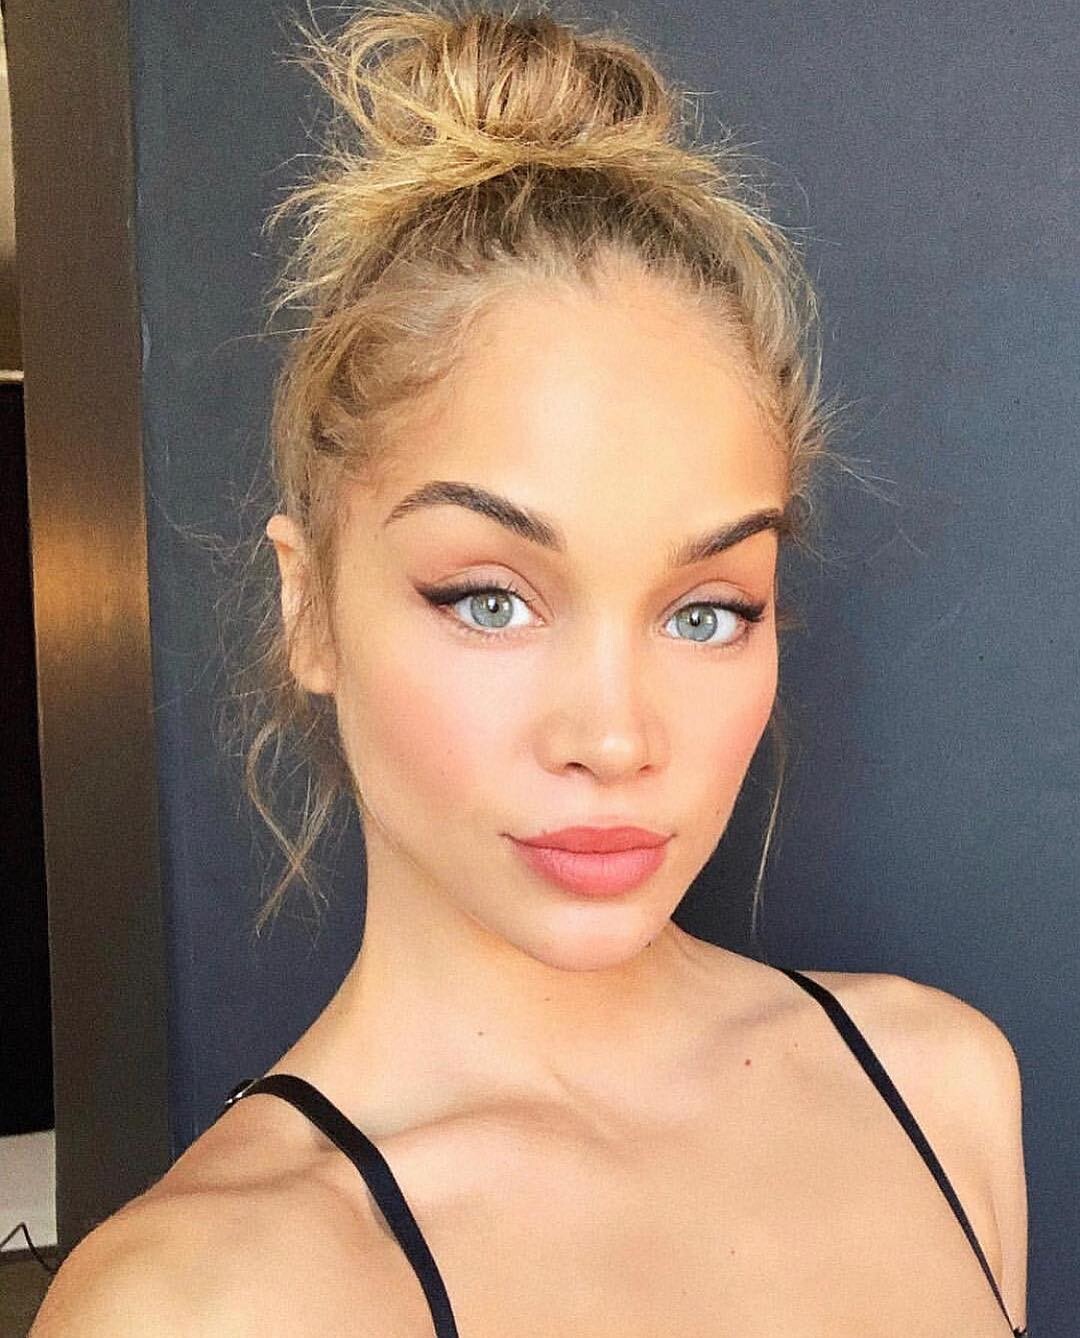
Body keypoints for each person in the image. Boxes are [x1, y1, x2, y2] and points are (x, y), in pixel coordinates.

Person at [32, 2, 1028, 1334]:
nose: (613, 738)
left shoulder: (945, 1092)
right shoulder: (207, 1303)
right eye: (490, 599)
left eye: (708, 611)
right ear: (310, 608)